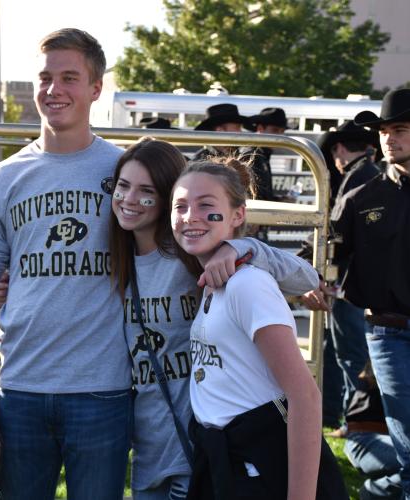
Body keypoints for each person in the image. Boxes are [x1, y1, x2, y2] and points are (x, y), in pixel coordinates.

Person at [0, 138, 319, 499]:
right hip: (148, 456)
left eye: (146, 190)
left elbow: (305, 277)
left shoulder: (191, 257)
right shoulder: (115, 263)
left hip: (199, 452)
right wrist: (14, 288)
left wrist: (242, 247)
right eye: (123, 186)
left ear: (165, 197)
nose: (130, 199)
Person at [0, 28, 134, 500]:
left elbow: (174, 247)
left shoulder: (125, 172)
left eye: (69, 77)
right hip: (21, 388)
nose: (54, 89)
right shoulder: (1, 180)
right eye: (45, 77)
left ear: (95, 88)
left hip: (102, 390)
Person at [171, 157, 347, 499]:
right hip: (226, 463)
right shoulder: (213, 281)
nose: (190, 216)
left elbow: (305, 396)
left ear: (238, 215)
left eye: (206, 205)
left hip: (260, 469)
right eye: (180, 206)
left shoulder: (247, 284)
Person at [332, 87, 410, 498]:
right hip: (387, 333)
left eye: (399, 129)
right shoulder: (362, 198)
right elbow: (325, 252)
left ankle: (378, 491)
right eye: (383, 131)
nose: (388, 138)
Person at [312, 120, 381, 431]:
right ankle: (344, 416)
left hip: (350, 280)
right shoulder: (369, 174)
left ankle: (357, 421)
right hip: (360, 279)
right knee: (345, 352)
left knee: (351, 354)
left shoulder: (357, 180)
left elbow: (339, 235)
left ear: (339, 148)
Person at [344, 361, 402, 500]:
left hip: (383, 440)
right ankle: (375, 492)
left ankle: (380, 490)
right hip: (364, 440)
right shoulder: (393, 360)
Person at [240, 107, 289, 202]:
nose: (280, 136)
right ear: (260, 129)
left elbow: (263, 197)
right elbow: (254, 200)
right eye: (275, 130)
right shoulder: (251, 156)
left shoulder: (262, 155)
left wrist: (281, 201)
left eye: (282, 131)